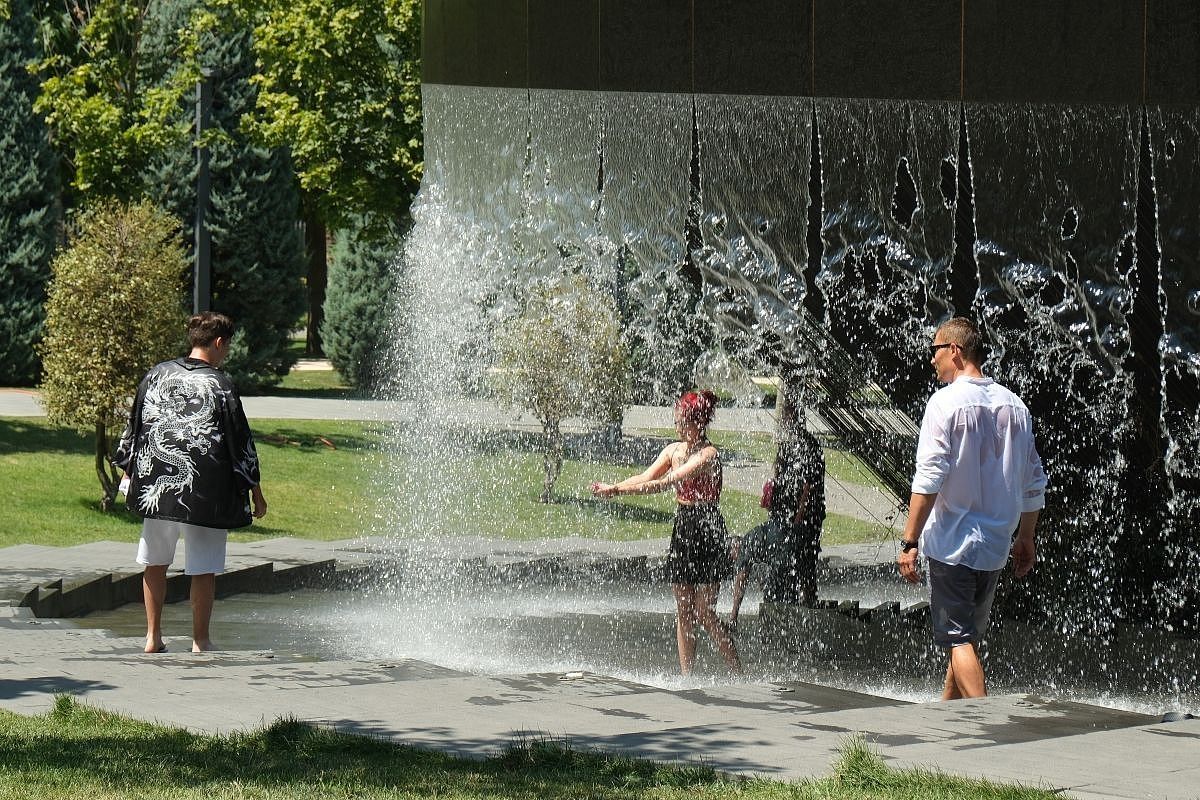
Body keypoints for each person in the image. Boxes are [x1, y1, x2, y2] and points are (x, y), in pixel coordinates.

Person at [897, 317, 1047, 700]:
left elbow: (928, 478)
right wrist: (1026, 537)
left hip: (952, 544)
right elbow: (1033, 482)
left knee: (958, 639)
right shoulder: (1016, 406)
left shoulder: (944, 403)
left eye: (935, 351)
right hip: (995, 547)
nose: (932, 361)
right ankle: (947, 721)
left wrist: (910, 540)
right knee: (961, 640)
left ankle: (985, 724)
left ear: (955, 352)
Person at [113, 312, 267, 653]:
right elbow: (239, 442)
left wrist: (127, 471)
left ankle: (152, 637)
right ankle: (200, 640)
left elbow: (135, 424)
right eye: (227, 347)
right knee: (204, 566)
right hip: (205, 491)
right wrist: (255, 491)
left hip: (158, 488)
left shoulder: (156, 374)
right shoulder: (220, 385)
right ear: (219, 342)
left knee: (154, 561)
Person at [592, 390, 741, 676]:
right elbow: (647, 477)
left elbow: (667, 482)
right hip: (684, 527)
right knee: (684, 610)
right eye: (677, 422)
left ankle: (738, 672)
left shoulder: (709, 455)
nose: (677, 428)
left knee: (705, 612)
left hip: (707, 528)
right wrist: (614, 486)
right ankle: (687, 678)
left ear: (697, 423)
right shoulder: (673, 450)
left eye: (682, 422)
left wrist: (621, 490)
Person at [729, 422, 825, 624]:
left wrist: (798, 521)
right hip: (779, 525)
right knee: (748, 547)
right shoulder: (788, 447)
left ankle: (807, 608)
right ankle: (734, 614)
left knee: (799, 564)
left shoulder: (806, 447)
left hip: (796, 526)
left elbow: (807, 489)